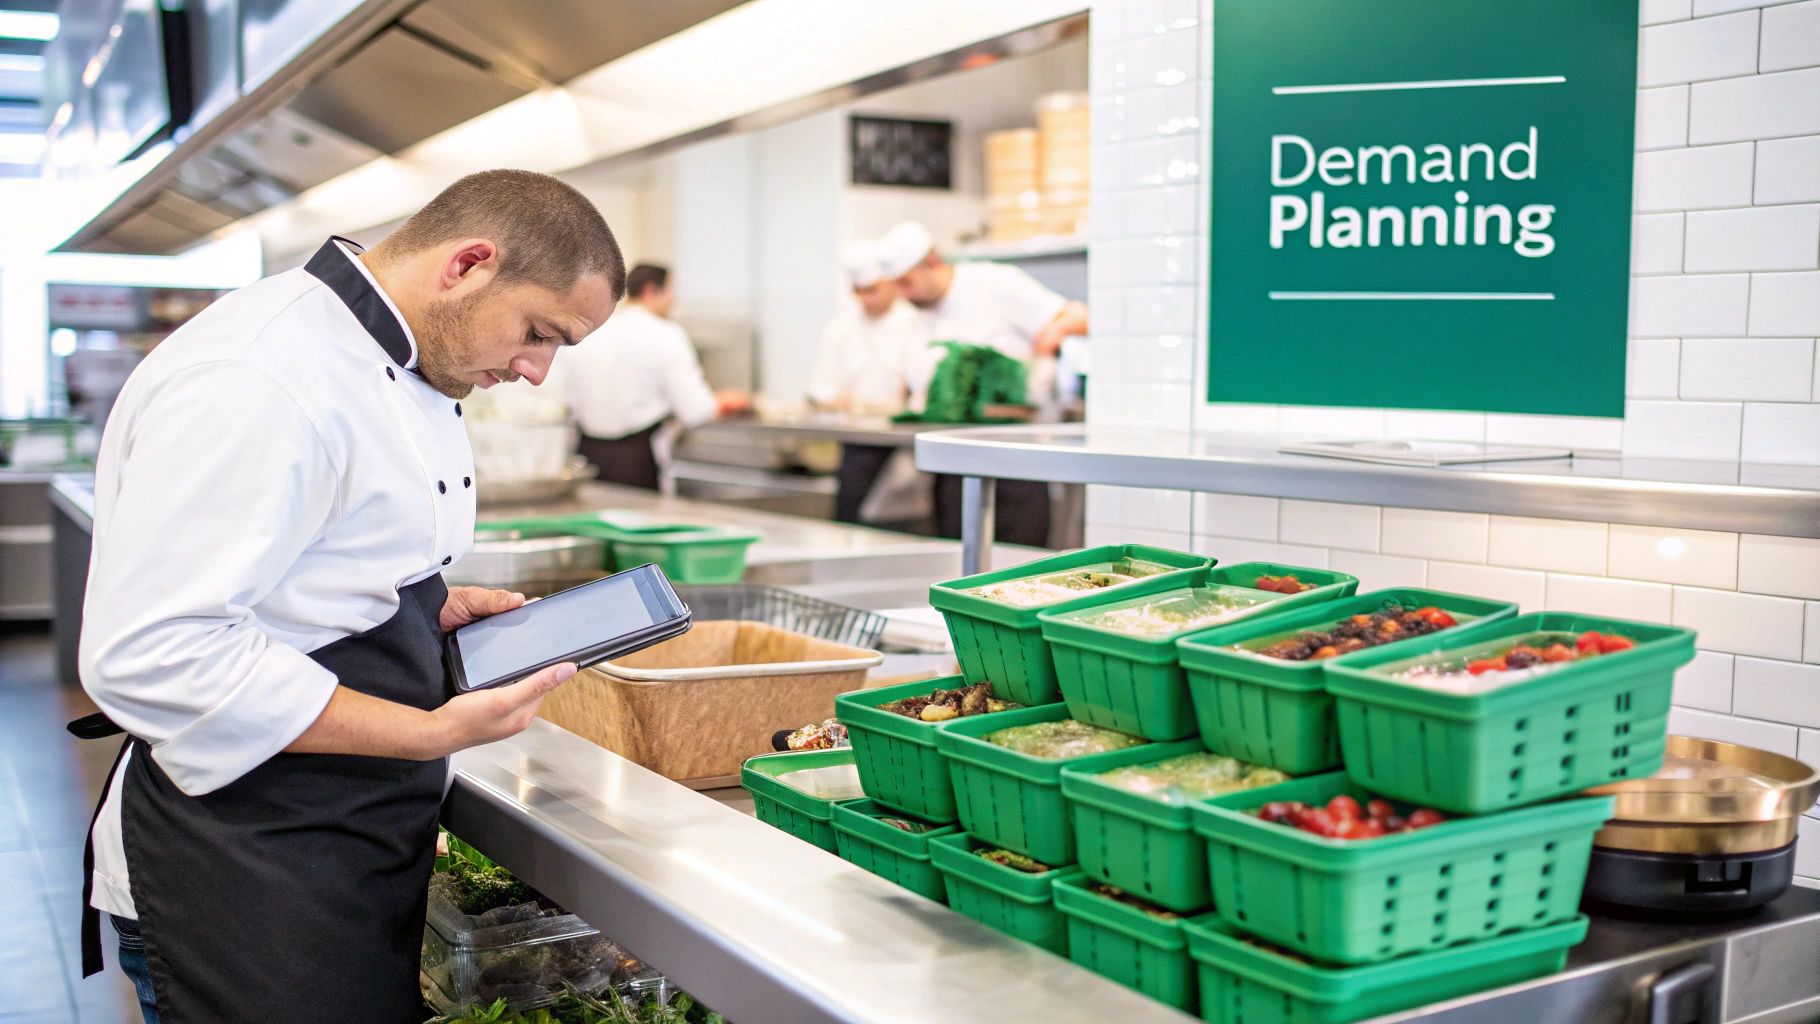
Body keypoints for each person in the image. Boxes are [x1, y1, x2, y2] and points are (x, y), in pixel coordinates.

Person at [72, 169, 626, 1023]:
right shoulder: (259, 376)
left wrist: (420, 608)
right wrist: (431, 732)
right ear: (467, 264)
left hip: (335, 848)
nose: (536, 370)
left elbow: (303, 561)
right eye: (537, 333)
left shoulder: (385, 355)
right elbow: (153, 652)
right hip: (243, 867)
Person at [875, 221, 1091, 547]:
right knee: (956, 559)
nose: (904, 294)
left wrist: (1047, 341)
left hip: (1016, 462)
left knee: (1018, 561)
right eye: (897, 286)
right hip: (953, 466)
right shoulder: (917, 313)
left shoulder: (993, 283)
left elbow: (1079, 317)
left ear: (932, 262)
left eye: (907, 282)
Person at [554, 263, 749, 490]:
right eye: (670, 290)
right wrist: (725, 402)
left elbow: (565, 399)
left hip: (587, 456)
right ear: (650, 290)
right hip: (637, 461)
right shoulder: (667, 334)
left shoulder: (591, 331)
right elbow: (695, 411)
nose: (673, 299)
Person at [807, 240, 932, 524]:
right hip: (857, 443)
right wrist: (835, 401)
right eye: (859, 292)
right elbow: (821, 389)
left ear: (891, 285)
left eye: (872, 290)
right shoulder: (840, 329)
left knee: (908, 520)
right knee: (851, 515)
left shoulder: (915, 323)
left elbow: (920, 386)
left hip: (906, 442)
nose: (866, 299)